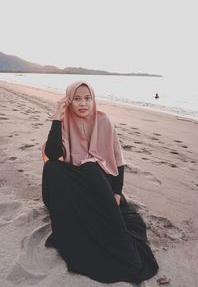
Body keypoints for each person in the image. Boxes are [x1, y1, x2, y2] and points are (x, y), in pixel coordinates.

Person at [41, 81, 159, 284]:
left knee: (91, 167)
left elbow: (118, 161)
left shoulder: (103, 120)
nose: (83, 103)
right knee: (51, 168)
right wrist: (56, 118)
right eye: (77, 99)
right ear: (69, 101)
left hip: (99, 180)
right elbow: (52, 154)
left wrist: (116, 193)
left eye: (88, 98)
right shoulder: (64, 120)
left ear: (93, 99)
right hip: (77, 182)